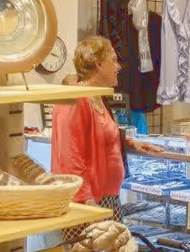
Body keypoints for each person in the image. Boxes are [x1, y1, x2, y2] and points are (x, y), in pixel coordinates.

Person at [51, 37, 157, 236]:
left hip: (107, 196)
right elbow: (70, 154)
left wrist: (129, 143)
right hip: (88, 201)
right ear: (98, 64)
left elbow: (100, 136)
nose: (118, 67)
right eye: (113, 60)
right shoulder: (74, 98)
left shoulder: (97, 96)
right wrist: (86, 202)